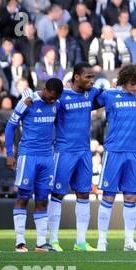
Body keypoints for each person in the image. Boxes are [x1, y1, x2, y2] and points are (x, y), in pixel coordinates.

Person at [94, 64, 136, 252]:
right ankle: (102, 241)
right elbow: (89, 97)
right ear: (124, 81)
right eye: (132, 84)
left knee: (131, 196)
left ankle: (129, 241)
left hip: (132, 153)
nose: (135, 87)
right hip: (114, 152)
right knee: (108, 196)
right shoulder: (109, 95)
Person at [5, 78, 64, 252]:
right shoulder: (27, 101)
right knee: (23, 197)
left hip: (47, 157)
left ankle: (41, 243)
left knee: (42, 199)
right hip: (28, 156)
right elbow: (10, 126)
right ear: (44, 89)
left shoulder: (56, 104)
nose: (52, 101)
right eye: (51, 97)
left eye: (55, 98)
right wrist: (10, 153)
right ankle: (20, 241)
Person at [48, 63, 102, 251]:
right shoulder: (61, 96)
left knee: (84, 194)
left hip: (84, 152)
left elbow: (113, 93)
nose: (91, 81)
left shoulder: (91, 93)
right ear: (76, 77)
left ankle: (80, 242)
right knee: (57, 194)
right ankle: (53, 240)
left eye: (93, 77)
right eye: (88, 77)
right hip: (64, 152)